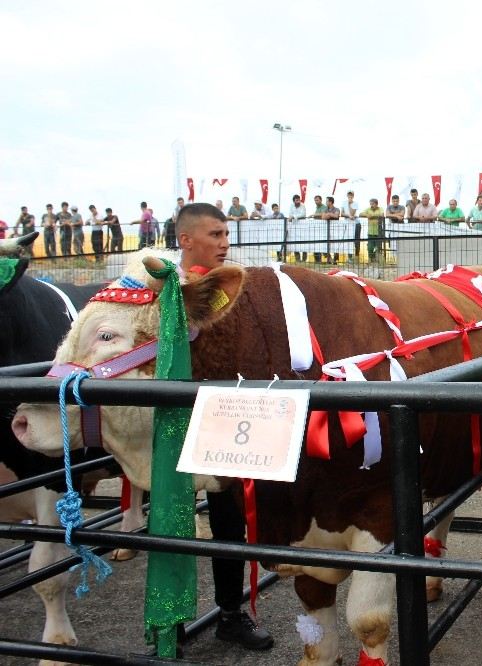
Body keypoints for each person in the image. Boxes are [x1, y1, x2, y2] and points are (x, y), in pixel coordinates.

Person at [173, 203, 274, 651]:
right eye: (215, 235)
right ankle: (168, 623)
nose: (224, 243)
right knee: (171, 523)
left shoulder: (230, 291)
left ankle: (231, 615)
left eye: (226, 235)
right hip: (171, 421)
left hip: (218, 419)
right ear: (186, 240)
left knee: (229, 520)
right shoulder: (159, 290)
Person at [360, 197, 385, 263]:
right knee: (370, 247)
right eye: (370, 204)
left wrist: (372, 216)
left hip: (378, 232)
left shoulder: (380, 209)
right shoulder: (368, 209)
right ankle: (371, 259)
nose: (371, 205)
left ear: (376, 204)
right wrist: (367, 215)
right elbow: (360, 214)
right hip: (370, 231)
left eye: (372, 204)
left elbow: (382, 215)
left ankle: (378, 260)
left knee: (378, 247)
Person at [287, 195, 308, 262]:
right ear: (294, 201)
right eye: (297, 200)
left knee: (304, 241)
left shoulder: (303, 205)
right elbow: (290, 214)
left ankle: (304, 259)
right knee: (295, 241)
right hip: (294, 226)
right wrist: (292, 217)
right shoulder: (291, 206)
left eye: (299, 200)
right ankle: (297, 259)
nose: (298, 201)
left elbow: (303, 214)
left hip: (302, 226)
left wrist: (293, 216)